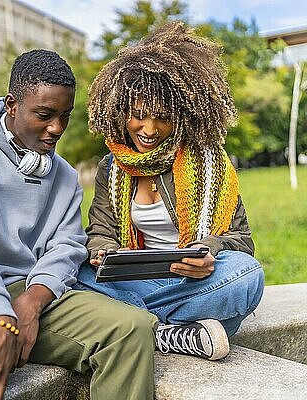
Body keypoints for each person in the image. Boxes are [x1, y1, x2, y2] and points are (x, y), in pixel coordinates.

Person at [0, 49, 158, 400]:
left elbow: (67, 246)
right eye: (44, 114)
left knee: (131, 328)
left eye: (64, 116)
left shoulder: (66, 177)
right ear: (12, 105)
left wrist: (32, 301)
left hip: (26, 292)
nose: (56, 128)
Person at [74, 22, 265, 361]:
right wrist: (102, 250)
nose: (148, 130)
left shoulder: (211, 164)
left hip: (194, 282)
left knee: (247, 274)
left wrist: (209, 250)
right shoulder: (111, 167)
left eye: (162, 118)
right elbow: (100, 230)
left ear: (181, 116)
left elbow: (243, 241)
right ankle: (178, 331)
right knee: (77, 272)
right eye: (139, 116)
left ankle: (141, 325)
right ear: (121, 112)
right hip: (135, 281)